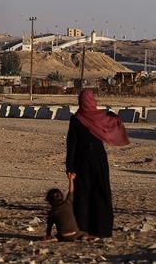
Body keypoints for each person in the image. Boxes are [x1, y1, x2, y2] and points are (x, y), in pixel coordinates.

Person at [66, 89, 130, 238]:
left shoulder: (76, 119)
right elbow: (115, 121)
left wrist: (69, 166)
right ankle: (102, 229)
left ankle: (82, 229)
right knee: (100, 191)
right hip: (98, 160)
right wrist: (112, 115)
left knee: (82, 195)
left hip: (81, 161)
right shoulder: (100, 117)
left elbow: (71, 144)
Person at [44, 173, 89, 242]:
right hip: (75, 234)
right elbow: (71, 191)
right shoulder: (68, 203)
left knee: (58, 236)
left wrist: (48, 235)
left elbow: (49, 226)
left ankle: (55, 238)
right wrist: (71, 179)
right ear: (61, 196)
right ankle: (83, 238)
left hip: (62, 236)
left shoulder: (52, 212)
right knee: (85, 233)